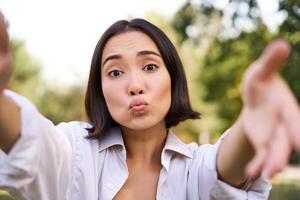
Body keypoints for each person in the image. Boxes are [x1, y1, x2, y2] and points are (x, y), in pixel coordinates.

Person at [0, 11, 299, 200]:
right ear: (100, 90)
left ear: (173, 77)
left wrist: (250, 119)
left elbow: (224, 172)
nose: (135, 84)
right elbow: (28, 139)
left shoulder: (195, 169)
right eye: (115, 72)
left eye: (150, 67)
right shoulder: (74, 151)